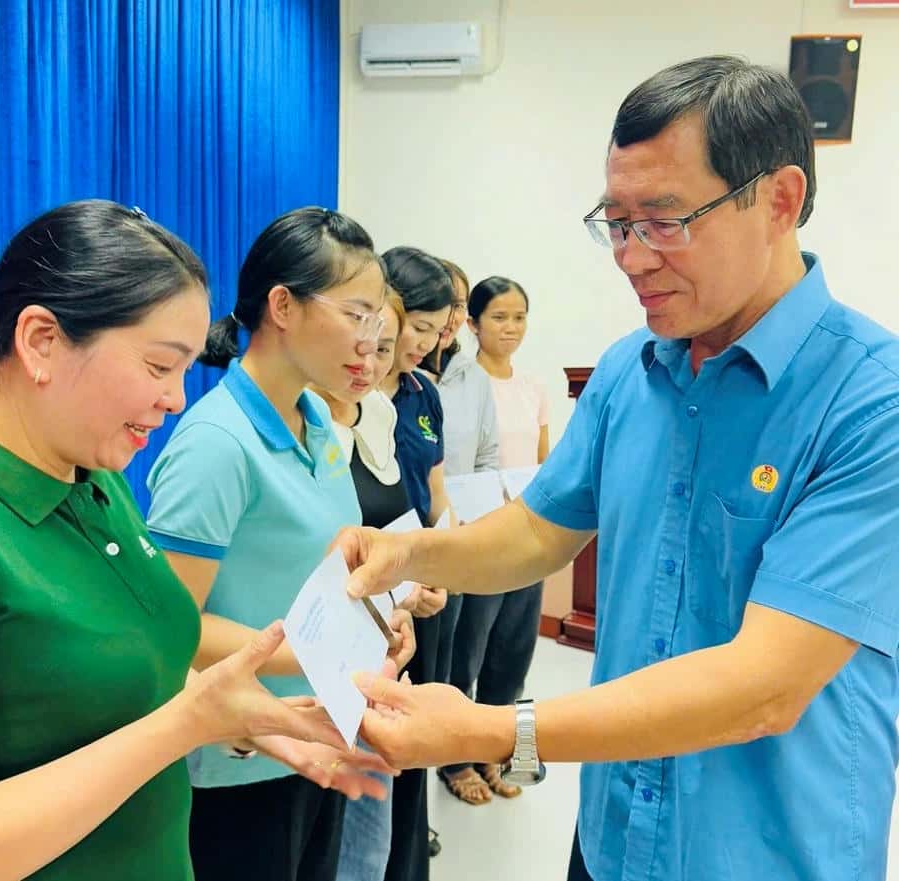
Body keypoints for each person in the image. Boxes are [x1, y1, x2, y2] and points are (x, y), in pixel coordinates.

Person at [340, 56, 899, 881]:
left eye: (665, 220)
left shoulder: (868, 402)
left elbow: (764, 687)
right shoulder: (630, 370)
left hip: (767, 851)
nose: (631, 258)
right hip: (616, 835)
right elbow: (539, 529)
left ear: (779, 200)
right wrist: (410, 553)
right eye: (617, 223)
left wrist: (491, 729)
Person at [0, 200, 375, 881]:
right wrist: (186, 722)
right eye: (159, 367)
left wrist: (240, 715)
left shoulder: (94, 476)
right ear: (41, 341)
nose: (178, 398)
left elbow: (116, 675)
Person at [145, 207, 410, 881]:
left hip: (317, 731)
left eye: (377, 321)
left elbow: (323, 566)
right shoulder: (217, 443)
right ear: (282, 305)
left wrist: (380, 624)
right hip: (241, 758)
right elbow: (169, 627)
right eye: (356, 314)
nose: (370, 341)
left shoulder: (318, 417)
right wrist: (325, 655)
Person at [312, 290, 415, 881]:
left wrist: (411, 586)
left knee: (366, 847)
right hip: (313, 658)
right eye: (361, 344)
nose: (370, 364)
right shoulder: (299, 425)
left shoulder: (379, 412)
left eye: (384, 350)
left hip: (376, 648)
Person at [437, 275, 548, 805]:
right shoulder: (458, 385)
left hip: (528, 537)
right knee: (470, 649)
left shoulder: (533, 389)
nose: (511, 327)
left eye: (520, 316)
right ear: (473, 323)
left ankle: (497, 748)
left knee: (514, 649)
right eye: (499, 317)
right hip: (481, 536)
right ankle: (455, 756)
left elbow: (546, 467)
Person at [376, 246, 455, 880]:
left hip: (419, 586)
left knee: (417, 732)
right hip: (371, 593)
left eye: (438, 331)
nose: (427, 344)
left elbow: (438, 490)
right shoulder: (338, 393)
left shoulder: (424, 393)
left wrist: (442, 559)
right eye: (419, 328)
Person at [419, 259, 500, 705]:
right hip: (408, 542)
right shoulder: (391, 378)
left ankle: (455, 754)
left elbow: (488, 457)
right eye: (443, 303)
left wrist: (474, 522)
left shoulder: (473, 376)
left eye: (459, 306)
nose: (450, 317)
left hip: (461, 535)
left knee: (454, 656)